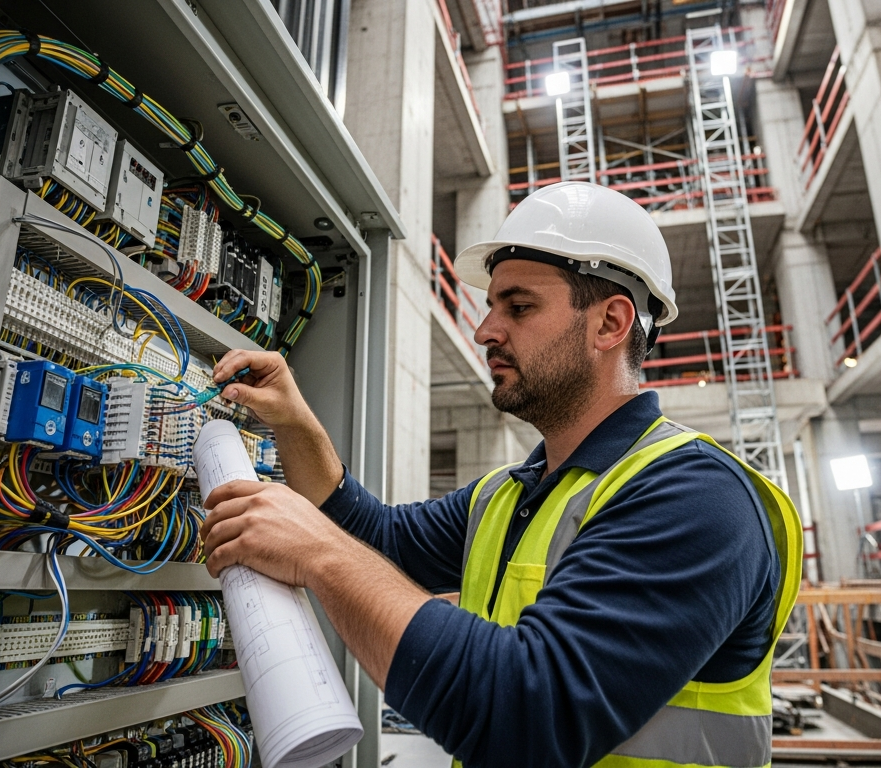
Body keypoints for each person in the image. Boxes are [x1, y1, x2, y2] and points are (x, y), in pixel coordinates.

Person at [201, 182, 802, 768]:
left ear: (611, 324)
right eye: (491, 307)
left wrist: (321, 556)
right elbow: (371, 535)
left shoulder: (696, 497)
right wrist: (296, 422)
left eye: (518, 307)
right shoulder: (511, 493)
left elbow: (528, 719)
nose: (485, 330)